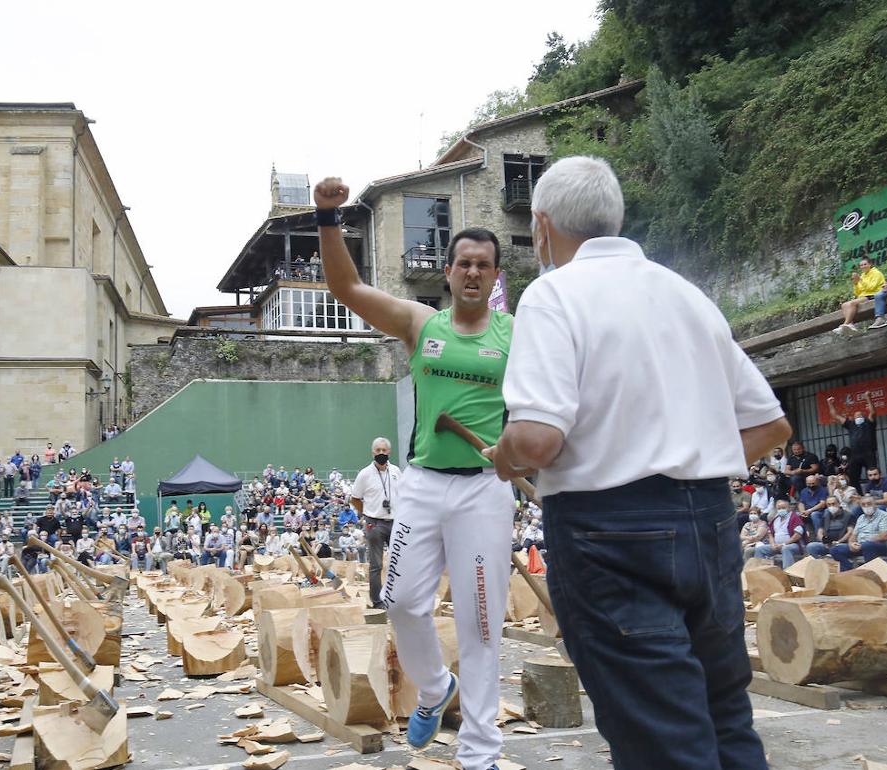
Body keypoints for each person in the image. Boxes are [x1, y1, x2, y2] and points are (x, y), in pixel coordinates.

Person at [485, 156, 789, 770]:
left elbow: (539, 438)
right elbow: (769, 425)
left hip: (609, 532)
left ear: (540, 226)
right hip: (707, 520)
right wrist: (687, 464)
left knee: (661, 735)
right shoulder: (686, 295)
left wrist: (505, 455)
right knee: (724, 713)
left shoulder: (553, 294)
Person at [316, 176, 514, 770]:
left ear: (495, 276)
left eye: (484, 265)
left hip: (486, 489)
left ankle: (480, 753)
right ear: (449, 273)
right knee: (401, 600)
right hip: (424, 483)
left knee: (481, 626)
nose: (474, 273)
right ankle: (434, 689)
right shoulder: (420, 324)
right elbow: (345, 286)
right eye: (465, 264)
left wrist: (522, 449)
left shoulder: (517, 336)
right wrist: (329, 216)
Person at [350, 437, 402, 609]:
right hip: (375, 523)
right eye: (378, 450)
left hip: (395, 522)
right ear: (373, 452)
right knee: (376, 565)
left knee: (398, 562)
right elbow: (355, 498)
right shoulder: (365, 474)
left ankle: (397, 598)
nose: (381, 453)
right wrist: (367, 513)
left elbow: (402, 495)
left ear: (389, 452)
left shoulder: (395, 471)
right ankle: (377, 601)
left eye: (384, 450)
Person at [830, 496, 887, 570]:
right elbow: (853, 536)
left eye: (869, 504)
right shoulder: (861, 518)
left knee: (868, 546)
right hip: (861, 546)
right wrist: (851, 544)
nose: (866, 506)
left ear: (875, 504)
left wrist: (863, 543)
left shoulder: (885, 516)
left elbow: (884, 536)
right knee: (835, 549)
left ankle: (872, 573)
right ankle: (849, 571)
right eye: (863, 504)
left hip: (880, 547)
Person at [826, 392, 877, 484]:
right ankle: (858, 495)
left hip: (869, 453)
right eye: (856, 416)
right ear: (853, 418)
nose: (858, 416)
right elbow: (835, 416)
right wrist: (830, 404)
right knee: (853, 478)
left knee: (873, 475)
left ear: (864, 417)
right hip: (855, 455)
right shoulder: (851, 424)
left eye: (860, 415)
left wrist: (868, 398)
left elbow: (872, 412)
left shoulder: (869, 423)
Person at [834, 257, 886, 334]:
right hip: (864, 296)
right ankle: (850, 324)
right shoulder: (863, 275)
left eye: (865, 264)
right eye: (861, 265)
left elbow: (871, 287)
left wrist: (860, 280)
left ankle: (846, 324)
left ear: (870, 264)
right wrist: (855, 283)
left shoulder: (876, 273)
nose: (863, 266)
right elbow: (857, 293)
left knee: (852, 303)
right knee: (844, 305)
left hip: (873, 295)